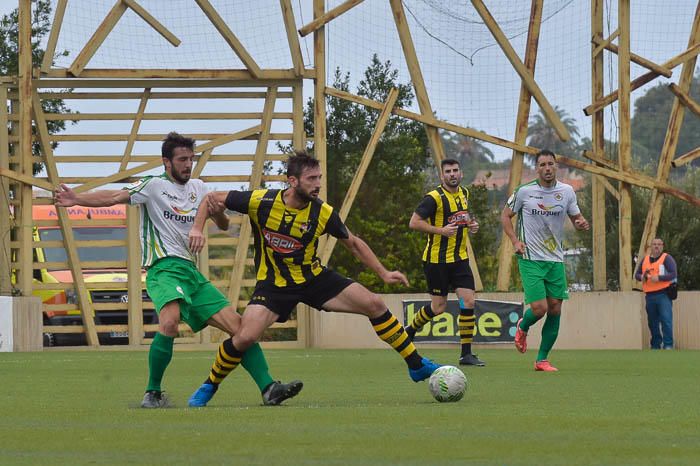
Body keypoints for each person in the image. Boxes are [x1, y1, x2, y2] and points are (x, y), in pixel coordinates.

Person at [54, 132, 302, 408]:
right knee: (169, 322)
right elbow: (114, 196)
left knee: (241, 330)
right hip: (164, 269)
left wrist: (218, 211)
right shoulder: (153, 186)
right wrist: (76, 199)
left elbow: (221, 224)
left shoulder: (200, 188)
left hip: (191, 275)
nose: (188, 164)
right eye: (182, 159)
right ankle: (153, 392)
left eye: (191, 159)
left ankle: (269, 388)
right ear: (166, 162)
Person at [186, 150, 441, 407]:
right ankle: (210, 384)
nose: (318, 184)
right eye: (311, 178)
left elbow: (352, 243)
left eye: (319, 177)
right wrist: (197, 227)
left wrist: (384, 273)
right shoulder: (261, 201)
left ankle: (416, 365)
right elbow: (211, 198)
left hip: (313, 278)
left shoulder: (323, 212)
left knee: (374, 304)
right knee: (244, 337)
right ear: (293, 181)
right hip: (274, 284)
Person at [500, 149, 589, 371]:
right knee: (539, 309)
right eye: (542, 165)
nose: (547, 168)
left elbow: (575, 215)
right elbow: (505, 216)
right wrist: (514, 241)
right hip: (530, 257)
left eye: (550, 164)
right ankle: (523, 325)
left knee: (555, 308)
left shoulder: (567, 191)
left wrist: (580, 222)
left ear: (556, 166)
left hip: (555, 259)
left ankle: (542, 359)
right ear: (536, 168)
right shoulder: (524, 192)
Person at [406, 158, 484, 366]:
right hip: (436, 261)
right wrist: (440, 231)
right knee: (438, 307)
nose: (452, 174)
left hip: (460, 259)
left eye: (455, 170)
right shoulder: (433, 198)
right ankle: (410, 330)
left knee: (468, 301)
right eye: (448, 171)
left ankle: (466, 354)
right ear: (442, 176)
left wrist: (471, 225)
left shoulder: (464, 193)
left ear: (461, 173)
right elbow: (414, 222)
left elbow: (462, 218)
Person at [634, 238, 677, 350]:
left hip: (664, 294)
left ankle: (668, 345)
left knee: (666, 320)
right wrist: (643, 276)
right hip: (650, 296)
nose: (656, 246)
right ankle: (655, 345)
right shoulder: (645, 260)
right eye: (654, 244)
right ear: (651, 247)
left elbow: (673, 274)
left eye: (659, 244)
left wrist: (659, 278)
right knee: (652, 322)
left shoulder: (667, 258)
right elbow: (637, 275)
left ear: (662, 246)